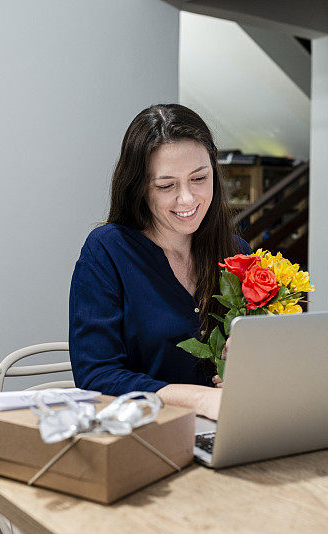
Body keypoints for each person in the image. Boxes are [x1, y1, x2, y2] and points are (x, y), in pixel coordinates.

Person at [69, 104, 252, 420]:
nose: (187, 198)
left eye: (199, 178)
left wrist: (249, 363)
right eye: (166, 185)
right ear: (139, 188)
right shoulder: (108, 251)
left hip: (230, 429)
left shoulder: (236, 252)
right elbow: (96, 378)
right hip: (148, 436)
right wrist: (200, 399)